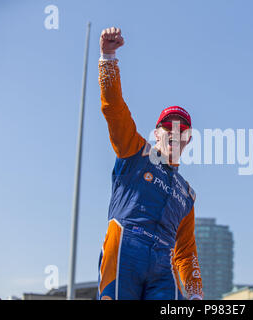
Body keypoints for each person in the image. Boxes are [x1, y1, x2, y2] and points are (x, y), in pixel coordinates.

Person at [97, 27, 203, 300]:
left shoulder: (187, 195)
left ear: (188, 140)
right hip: (124, 250)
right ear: (156, 133)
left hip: (163, 263)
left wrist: (195, 296)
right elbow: (114, 108)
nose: (175, 134)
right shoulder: (133, 149)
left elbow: (187, 254)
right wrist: (108, 58)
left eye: (183, 131)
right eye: (168, 128)